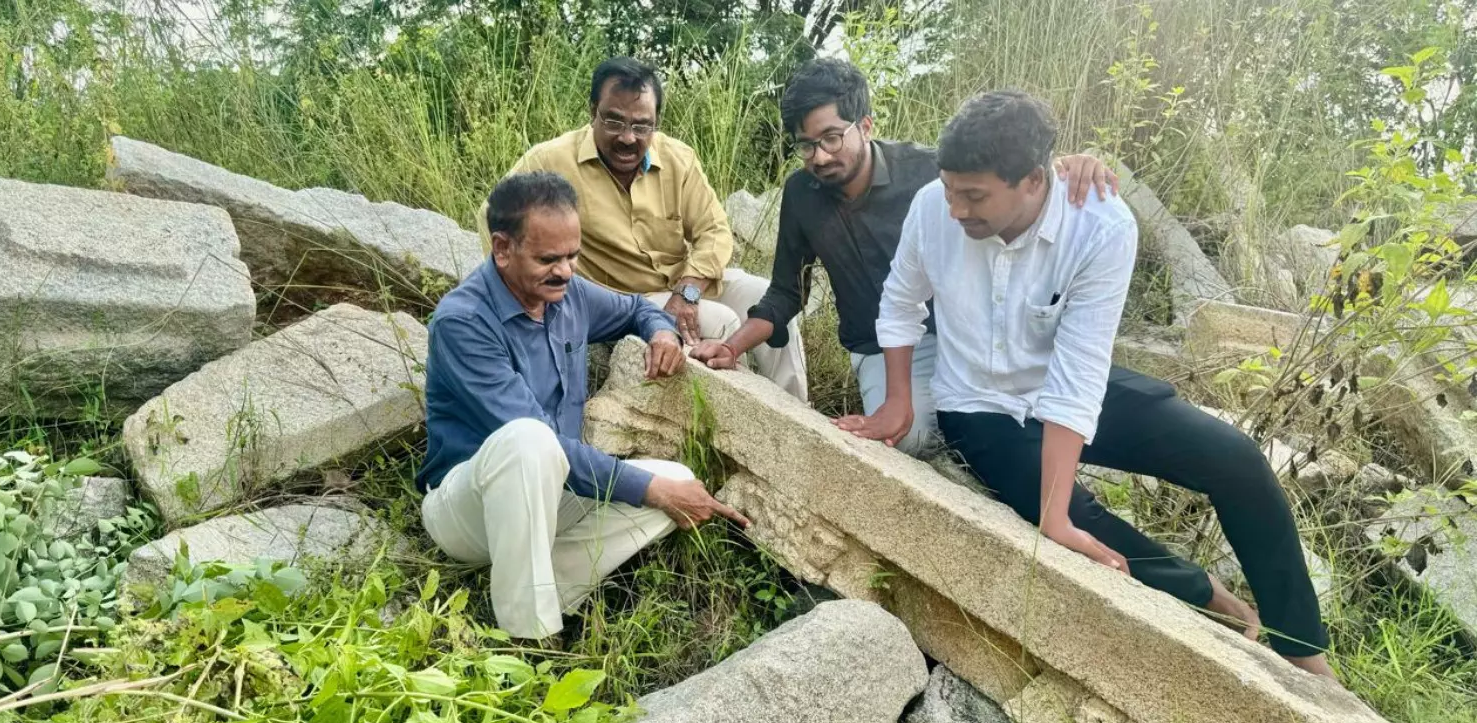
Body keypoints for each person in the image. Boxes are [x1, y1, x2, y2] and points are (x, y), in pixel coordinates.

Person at [840, 89, 1335, 678]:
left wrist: (1053, 515)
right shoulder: (932, 207)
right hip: (976, 404)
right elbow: (901, 303)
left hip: (1067, 384)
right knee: (1067, 515)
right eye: (950, 190)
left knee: (1235, 459)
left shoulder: (1100, 224)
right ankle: (1202, 594)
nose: (955, 208)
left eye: (974, 196)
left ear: (1034, 180)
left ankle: (1300, 648)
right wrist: (898, 403)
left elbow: (1078, 376)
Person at [690, 58, 1116, 456]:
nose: (819, 156)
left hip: (962, 335)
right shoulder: (801, 195)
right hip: (878, 348)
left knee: (1023, 418)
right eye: (806, 145)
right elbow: (787, 292)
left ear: (865, 125)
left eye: (831, 138)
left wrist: (1067, 168)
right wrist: (730, 347)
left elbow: (1008, 180)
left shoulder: (928, 173)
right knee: (908, 440)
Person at [419, 172, 748, 640]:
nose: (565, 271)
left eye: (572, 256)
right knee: (531, 441)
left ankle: (529, 585)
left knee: (675, 479)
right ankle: (529, 637)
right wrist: (651, 489)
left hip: (554, 490)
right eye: (548, 259)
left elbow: (638, 308)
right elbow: (542, 442)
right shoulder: (464, 323)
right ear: (502, 248)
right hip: (469, 509)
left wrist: (662, 332)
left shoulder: (567, 294)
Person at [488, 56, 809, 403]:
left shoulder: (677, 158)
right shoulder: (551, 160)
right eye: (614, 121)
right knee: (721, 321)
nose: (628, 137)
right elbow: (493, 212)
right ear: (593, 111)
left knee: (769, 302)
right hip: (630, 298)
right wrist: (516, 293)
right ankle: (743, 425)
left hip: (687, 283)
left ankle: (800, 417)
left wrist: (688, 291)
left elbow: (715, 231)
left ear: (657, 122)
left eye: (642, 126)